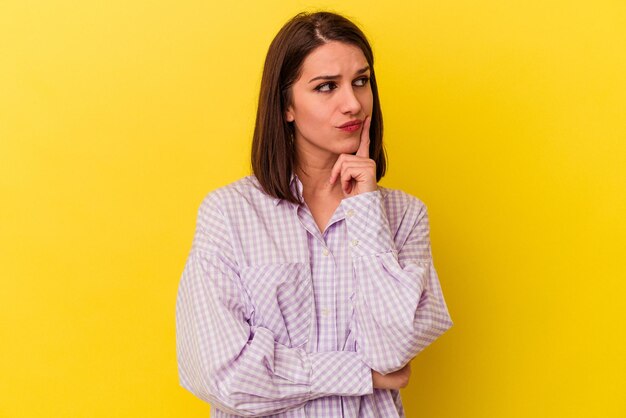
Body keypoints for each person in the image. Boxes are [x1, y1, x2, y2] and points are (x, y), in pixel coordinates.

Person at [176, 11, 453, 417]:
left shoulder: (404, 216)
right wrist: (362, 373)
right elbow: (224, 377)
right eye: (326, 87)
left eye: (361, 81)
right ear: (286, 105)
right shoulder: (229, 215)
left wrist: (366, 212)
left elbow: (392, 351)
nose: (353, 103)